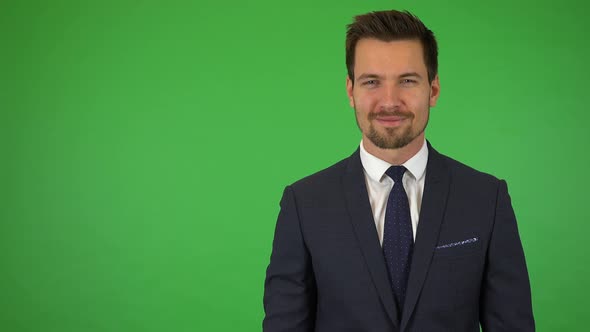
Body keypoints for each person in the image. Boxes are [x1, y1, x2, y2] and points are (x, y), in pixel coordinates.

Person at [262, 9, 534, 332]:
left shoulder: (487, 200)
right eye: (372, 82)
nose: (389, 101)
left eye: (407, 80)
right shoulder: (303, 205)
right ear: (351, 91)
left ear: (433, 90)